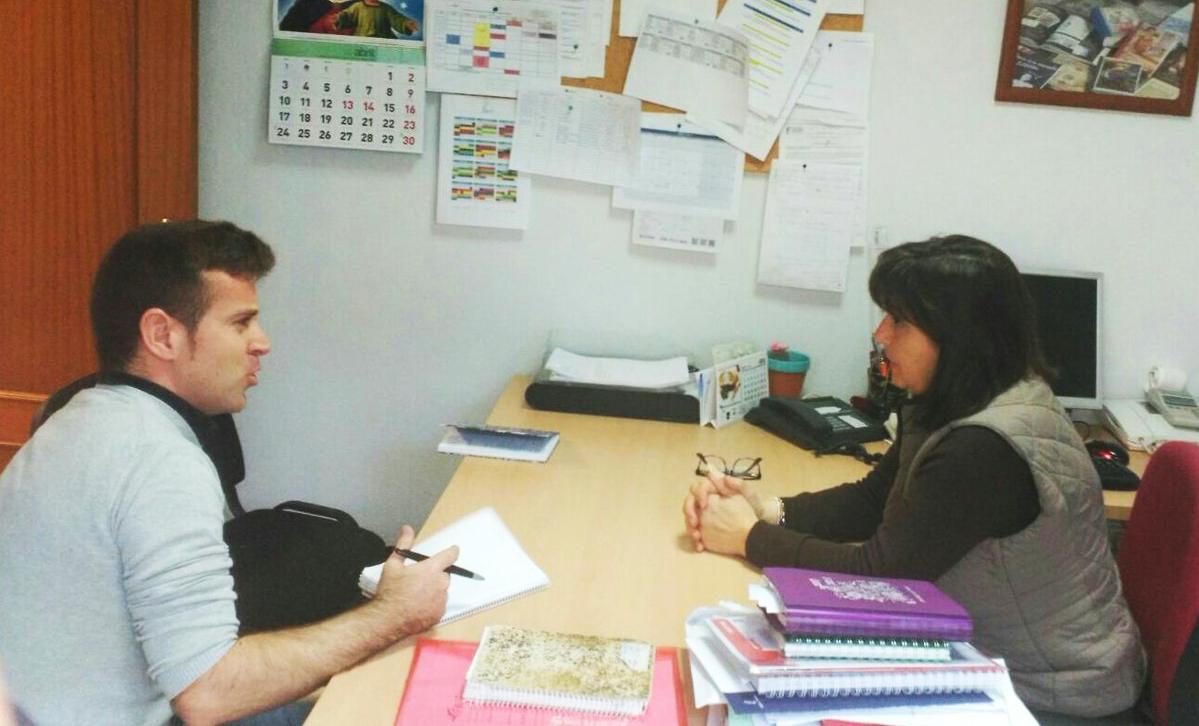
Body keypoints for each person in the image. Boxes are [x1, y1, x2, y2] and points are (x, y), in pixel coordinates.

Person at [0, 220, 458, 725]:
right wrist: (393, 614)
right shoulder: (159, 460)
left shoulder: (74, 420)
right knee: (387, 696)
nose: (262, 343)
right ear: (163, 335)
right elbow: (208, 695)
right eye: (241, 323)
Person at [683, 235, 1145, 718]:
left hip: (1055, 695)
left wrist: (748, 538)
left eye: (899, 321)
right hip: (1000, 660)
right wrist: (770, 510)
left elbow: (880, 578)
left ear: (958, 336)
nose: (881, 334)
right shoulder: (955, 397)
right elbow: (873, 502)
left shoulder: (983, 448)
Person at [334, 0, 420, 39]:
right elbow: (347, 15)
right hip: (362, 37)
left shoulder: (386, 8)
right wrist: (339, 18)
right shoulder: (357, 7)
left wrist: (406, 23)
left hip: (384, 38)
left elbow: (397, 19)